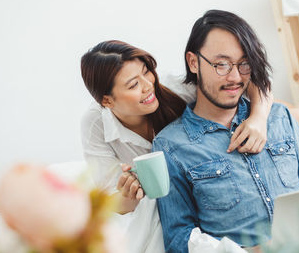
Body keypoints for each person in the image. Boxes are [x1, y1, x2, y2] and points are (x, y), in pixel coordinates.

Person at [153, 9, 299, 253]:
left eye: (244, 64)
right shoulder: (171, 146)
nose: (236, 77)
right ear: (193, 62)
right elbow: (178, 238)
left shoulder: (278, 118)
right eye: (222, 65)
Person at [80, 40, 274, 253]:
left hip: (205, 179)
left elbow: (251, 79)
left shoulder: (176, 88)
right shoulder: (95, 125)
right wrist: (128, 197)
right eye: (134, 84)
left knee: (295, 113)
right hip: (168, 202)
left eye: (147, 72)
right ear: (107, 101)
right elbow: (110, 201)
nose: (148, 85)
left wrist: (259, 116)